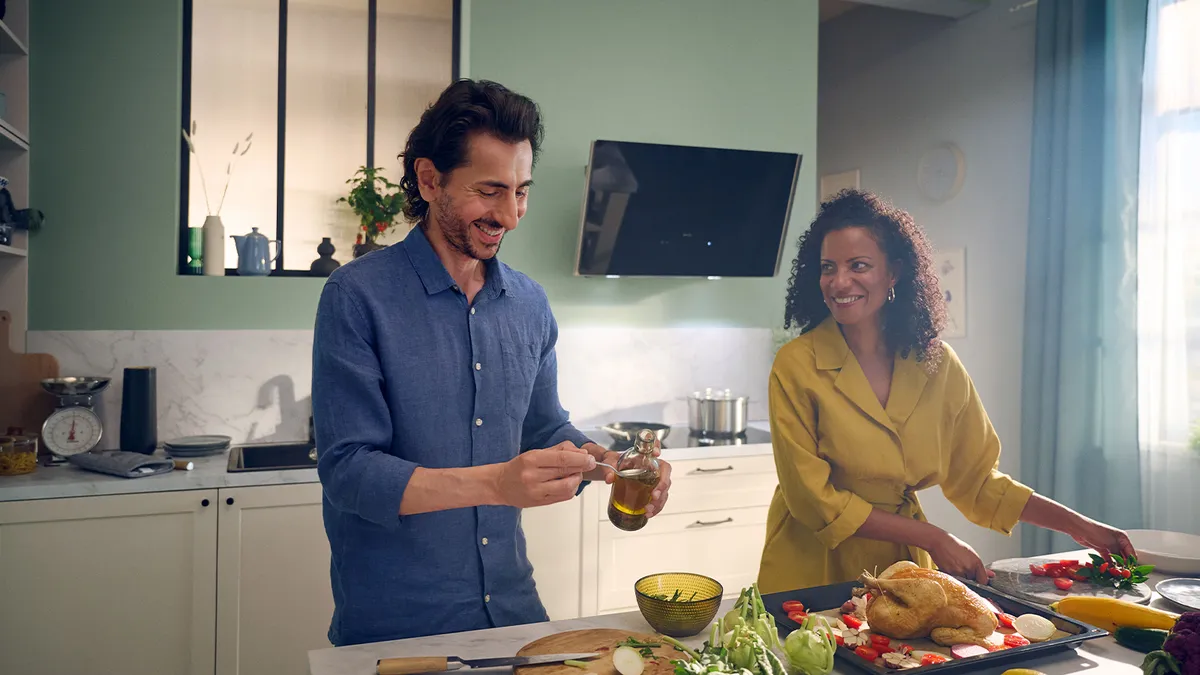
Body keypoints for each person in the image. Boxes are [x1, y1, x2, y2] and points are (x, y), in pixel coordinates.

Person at [311, 78, 673, 646]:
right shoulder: (356, 296)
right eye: (490, 190)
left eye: (521, 191)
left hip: (513, 612)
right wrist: (499, 483)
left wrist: (608, 465)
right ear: (430, 181)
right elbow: (350, 472)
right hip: (397, 629)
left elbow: (545, 429)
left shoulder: (529, 303)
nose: (511, 214)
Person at [756, 189, 1135, 594]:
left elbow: (979, 480)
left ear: (894, 272)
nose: (839, 281)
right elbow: (814, 500)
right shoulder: (796, 364)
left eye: (859, 265)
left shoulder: (937, 363)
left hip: (898, 567)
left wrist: (1083, 529)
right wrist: (933, 538)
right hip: (811, 567)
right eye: (828, 267)